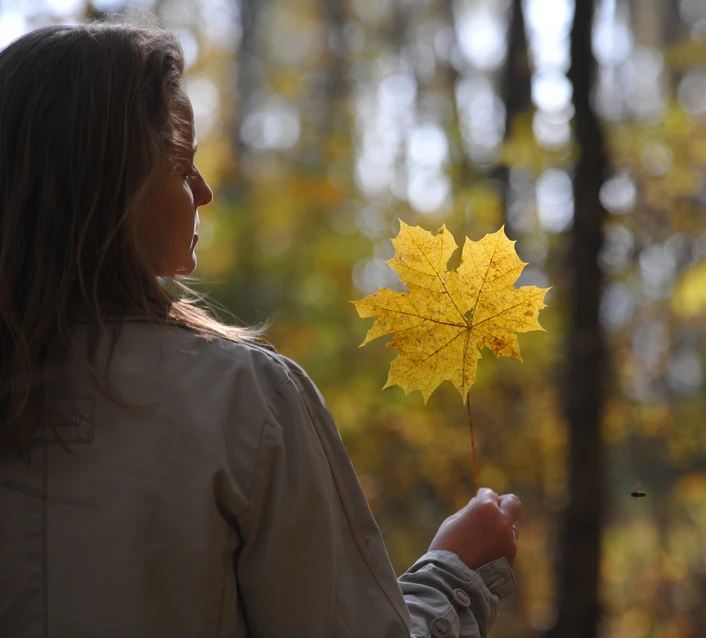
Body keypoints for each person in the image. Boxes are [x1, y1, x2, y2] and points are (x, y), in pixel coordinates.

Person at [0, 22, 521, 638]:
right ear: (113, 187)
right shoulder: (244, 399)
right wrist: (454, 575)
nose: (205, 190)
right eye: (182, 165)